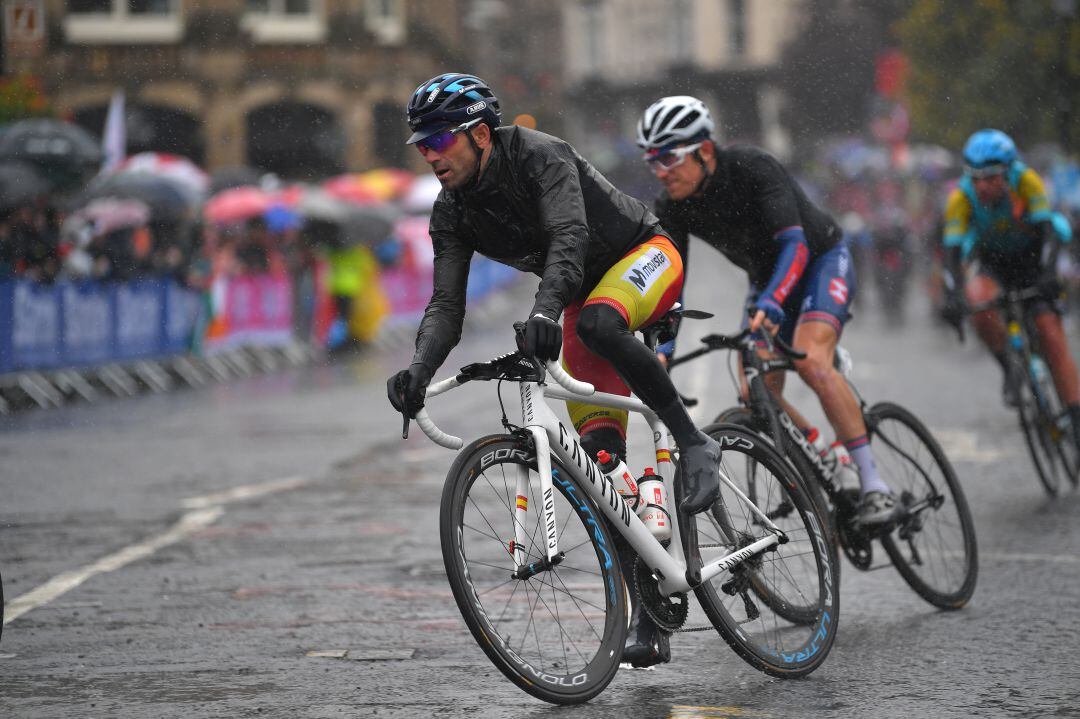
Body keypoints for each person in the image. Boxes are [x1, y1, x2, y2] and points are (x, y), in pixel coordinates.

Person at [385, 73, 723, 668]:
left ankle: (696, 444)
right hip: (579, 292)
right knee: (599, 464)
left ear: (481, 134)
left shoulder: (541, 156)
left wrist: (544, 310)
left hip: (641, 255)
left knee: (596, 323)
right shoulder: (452, 211)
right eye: (422, 145)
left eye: (439, 140)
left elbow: (570, 235)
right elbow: (446, 304)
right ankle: (649, 613)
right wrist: (417, 368)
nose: (429, 154)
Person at [636, 95, 897, 527]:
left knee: (812, 361)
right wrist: (664, 345)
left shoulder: (752, 166)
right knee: (754, 389)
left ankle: (874, 486)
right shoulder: (673, 205)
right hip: (766, 280)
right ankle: (826, 455)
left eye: (669, 158)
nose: (661, 172)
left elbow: (794, 244)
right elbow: (673, 279)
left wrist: (774, 301)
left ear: (703, 150)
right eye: (652, 162)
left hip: (817, 261)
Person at [941, 129, 1080, 442]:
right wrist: (951, 296)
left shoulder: (1026, 182)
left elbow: (1048, 232)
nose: (981, 187)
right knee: (978, 301)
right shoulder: (961, 198)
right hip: (995, 262)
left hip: (1034, 258)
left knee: (1049, 332)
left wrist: (1047, 276)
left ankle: (1075, 414)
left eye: (990, 178)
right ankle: (1009, 367)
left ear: (1007, 172)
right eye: (974, 178)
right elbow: (951, 255)